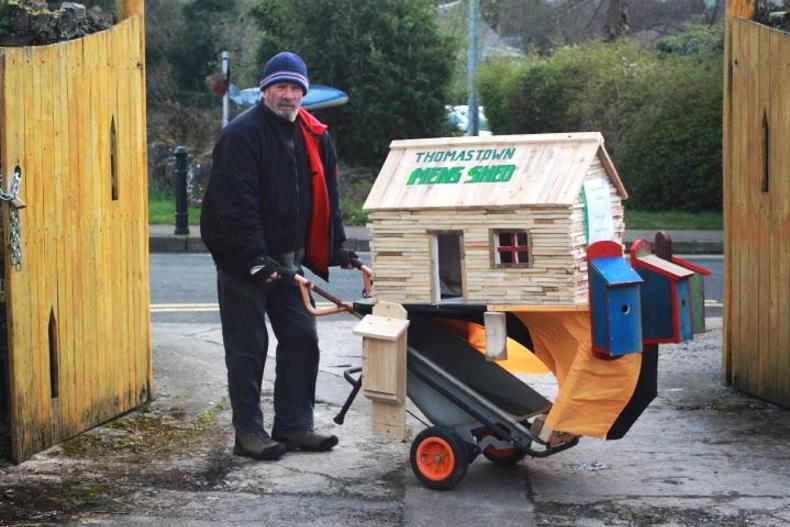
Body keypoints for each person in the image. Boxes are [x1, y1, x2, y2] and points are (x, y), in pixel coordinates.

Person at [201, 51, 356, 461]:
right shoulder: (241, 135)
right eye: (280, 87)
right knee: (248, 347)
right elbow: (232, 206)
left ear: (304, 93)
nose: (288, 95)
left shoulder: (314, 134)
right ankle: (248, 433)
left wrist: (338, 246)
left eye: (295, 88)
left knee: (303, 339)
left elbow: (328, 199)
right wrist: (255, 259)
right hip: (244, 263)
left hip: (288, 263)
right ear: (265, 90)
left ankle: (293, 425)